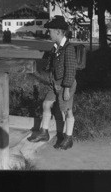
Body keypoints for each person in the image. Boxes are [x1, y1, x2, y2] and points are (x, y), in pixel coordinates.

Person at [27, 15, 77, 150]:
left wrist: (66, 88)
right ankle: (44, 132)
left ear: (58, 32)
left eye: (50, 31)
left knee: (68, 110)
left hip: (66, 84)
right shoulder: (56, 47)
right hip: (54, 83)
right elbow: (52, 64)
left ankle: (68, 138)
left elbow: (71, 70)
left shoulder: (69, 48)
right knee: (46, 104)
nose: (48, 33)